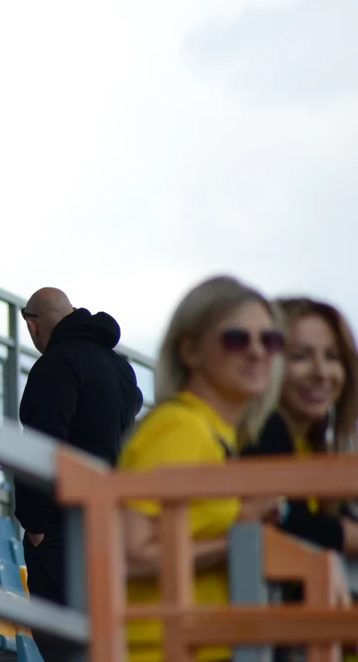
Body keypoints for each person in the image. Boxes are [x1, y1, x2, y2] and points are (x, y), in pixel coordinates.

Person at [120, 276, 284, 662]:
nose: (257, 352)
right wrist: (239, 539)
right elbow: (129, 553)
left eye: (270, 341)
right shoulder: (180, 427)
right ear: (191, 351)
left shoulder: (216, 435)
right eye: (236, 339)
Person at [13, 287, 143, 661]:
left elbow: (41, 447)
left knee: (64, 642)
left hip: (62, 527)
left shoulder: (56, 365)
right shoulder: (119, 367)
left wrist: (35, 524)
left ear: (33, 325)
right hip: (111, 522)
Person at [243, 298, 358, 556]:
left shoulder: (312, 443)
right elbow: (287, 521)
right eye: (300, 357)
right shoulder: (264, 431)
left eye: (332, 357)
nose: (321, 372)